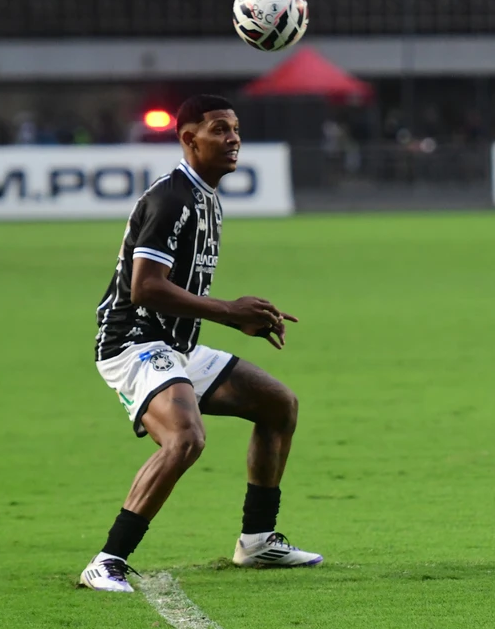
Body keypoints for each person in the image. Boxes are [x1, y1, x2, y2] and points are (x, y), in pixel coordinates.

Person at [80, 95, 322, 593]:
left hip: (176, 343)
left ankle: (256, 540)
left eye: (235, 128)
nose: (233, 138)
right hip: (134, 341)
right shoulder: (171, 199)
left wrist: (238, 318)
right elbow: (144, 287)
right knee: (185, 438)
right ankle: (107, 559)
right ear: (189, 139)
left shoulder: (205, 195)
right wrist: (231, 313)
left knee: (278, 405)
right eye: (218, 129)